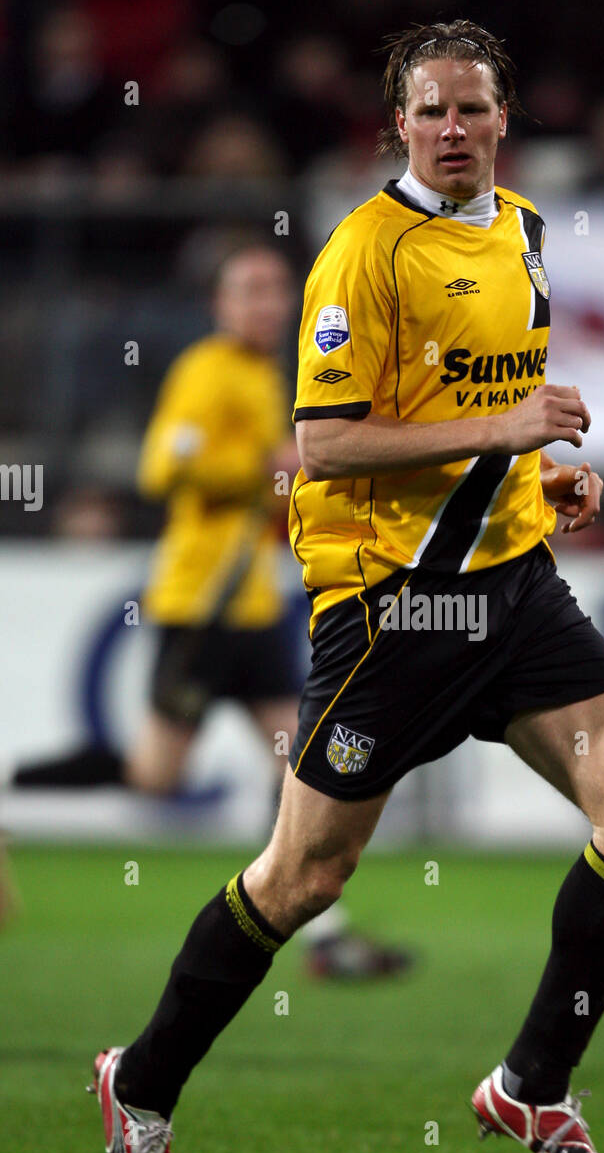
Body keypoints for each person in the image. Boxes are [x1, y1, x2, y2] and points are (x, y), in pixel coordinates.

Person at [92, 20, 604, 1153]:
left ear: (504, 117)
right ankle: (138, 1084)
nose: (453, 129)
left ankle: (531, 1085)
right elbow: (325, 443)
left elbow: (487, 414)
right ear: (397, 123)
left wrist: (544, 481)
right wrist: (504, 433)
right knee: (304, 875)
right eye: (431, 111)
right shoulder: (362, 254)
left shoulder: (519, 230)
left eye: (472, 108)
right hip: (391, 607)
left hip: (513, 590)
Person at [13, 243, 410, 980]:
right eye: (248, 291)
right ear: (221, 305)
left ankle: (323, 934)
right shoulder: (206, 371)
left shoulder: (265, 376)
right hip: (202, 603)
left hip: (249, 603)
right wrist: (266, 468)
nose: (265, 304)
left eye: (273, 291)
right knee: (156, 777)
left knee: (296, 755)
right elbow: (162, 466)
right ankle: (12, 783)